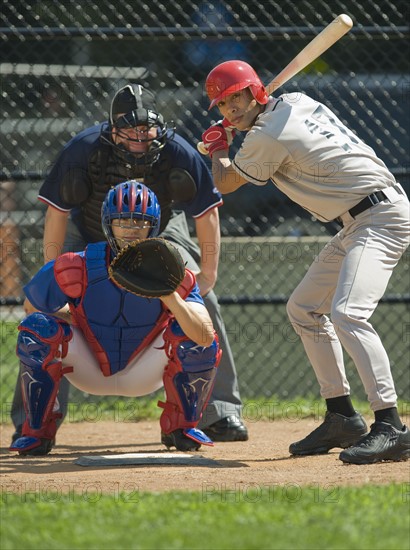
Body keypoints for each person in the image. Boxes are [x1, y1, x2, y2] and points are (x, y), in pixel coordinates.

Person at [11, 83, 248, 443]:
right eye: (130, 127)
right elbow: (57, 212)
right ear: (112, 126)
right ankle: (32, 422)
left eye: (147, 127)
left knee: (202, 304)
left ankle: (221, 412)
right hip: (88, 229)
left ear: (159, 125)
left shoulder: (176, 150)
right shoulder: (84, 148)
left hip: (159, 230)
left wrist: (209, 275)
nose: (140, 135)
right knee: (40, 324)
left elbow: (205, 211)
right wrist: (55, 275)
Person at [199, 60, 410, 465]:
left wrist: (218, 146)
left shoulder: (268, 134)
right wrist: (238, 129)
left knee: (348, 313)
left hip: (379, 218)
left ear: (256, 91)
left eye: (237, 98)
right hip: (356, 220)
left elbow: (225, 182)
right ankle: (342, 416)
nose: (230, 111)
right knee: (304, 309)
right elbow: (264, 131)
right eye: (223, 106)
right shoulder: (296, 100)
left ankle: (390, 426)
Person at [10, 181, 222, 456]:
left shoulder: (174, 273)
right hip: (88, 367)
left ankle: (180, 425)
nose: (132, 230)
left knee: (192, 335)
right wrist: (76, 317)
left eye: (140, 222)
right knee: (36, 329)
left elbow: (205, 336)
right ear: (108, 224)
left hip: (144, 372)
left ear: (153, 226)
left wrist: (170, 296)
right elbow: (31, 307)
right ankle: (38, 431)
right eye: (123, 221)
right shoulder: (77, 265)